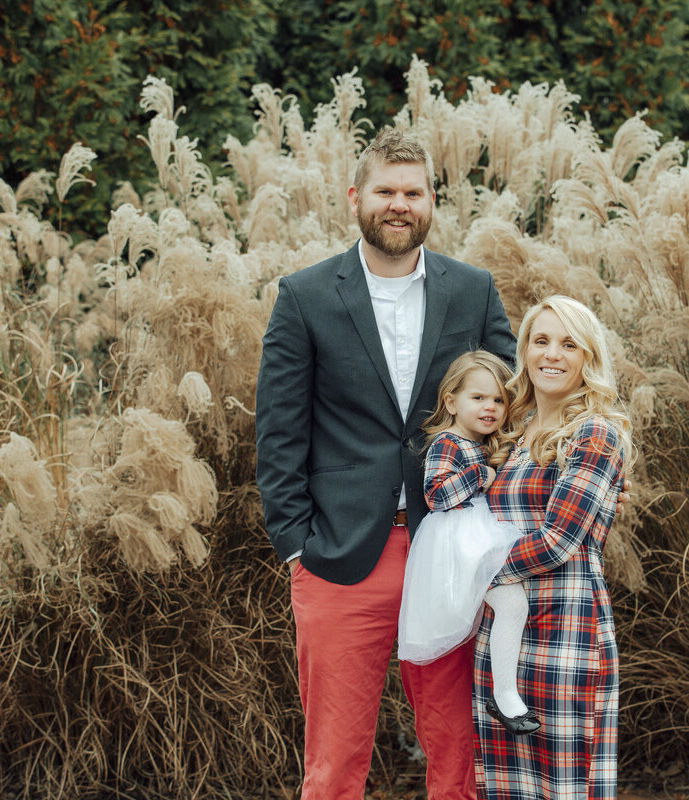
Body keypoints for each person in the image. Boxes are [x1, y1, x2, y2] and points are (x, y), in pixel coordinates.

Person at [254, 128, 517, 800]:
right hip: (341, 556)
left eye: (413, 193)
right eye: (385, 192)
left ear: (431, 200)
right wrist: (296, 545)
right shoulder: (306, 296)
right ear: (355, 197)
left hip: (450, 548)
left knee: (458, 753)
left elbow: (515, 409)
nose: (399, 205)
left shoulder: (474, 291)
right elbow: (279, 431)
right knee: (335, 762)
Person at [475, 295, 633, 800]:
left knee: (565, 783)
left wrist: (474, 571)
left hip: (566, 630)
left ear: (589, 356)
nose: (551, 354)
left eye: (569, 344)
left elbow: (558, 541)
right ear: (524, 351)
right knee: (505, 783)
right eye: (540, 341)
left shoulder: (595, 433)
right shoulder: (513, 433)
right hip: (503, 635)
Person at [396, 351, 540, 736]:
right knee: (512, 604)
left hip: (476, 536)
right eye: (478, 397)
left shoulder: (487, 442)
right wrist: (480, 474)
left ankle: (505, 694)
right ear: (451, 402)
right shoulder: (449, 442)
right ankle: (504, 696)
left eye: (498, 400)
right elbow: (436, 495)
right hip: (459, 543)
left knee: (512, 605)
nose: (490, 407)